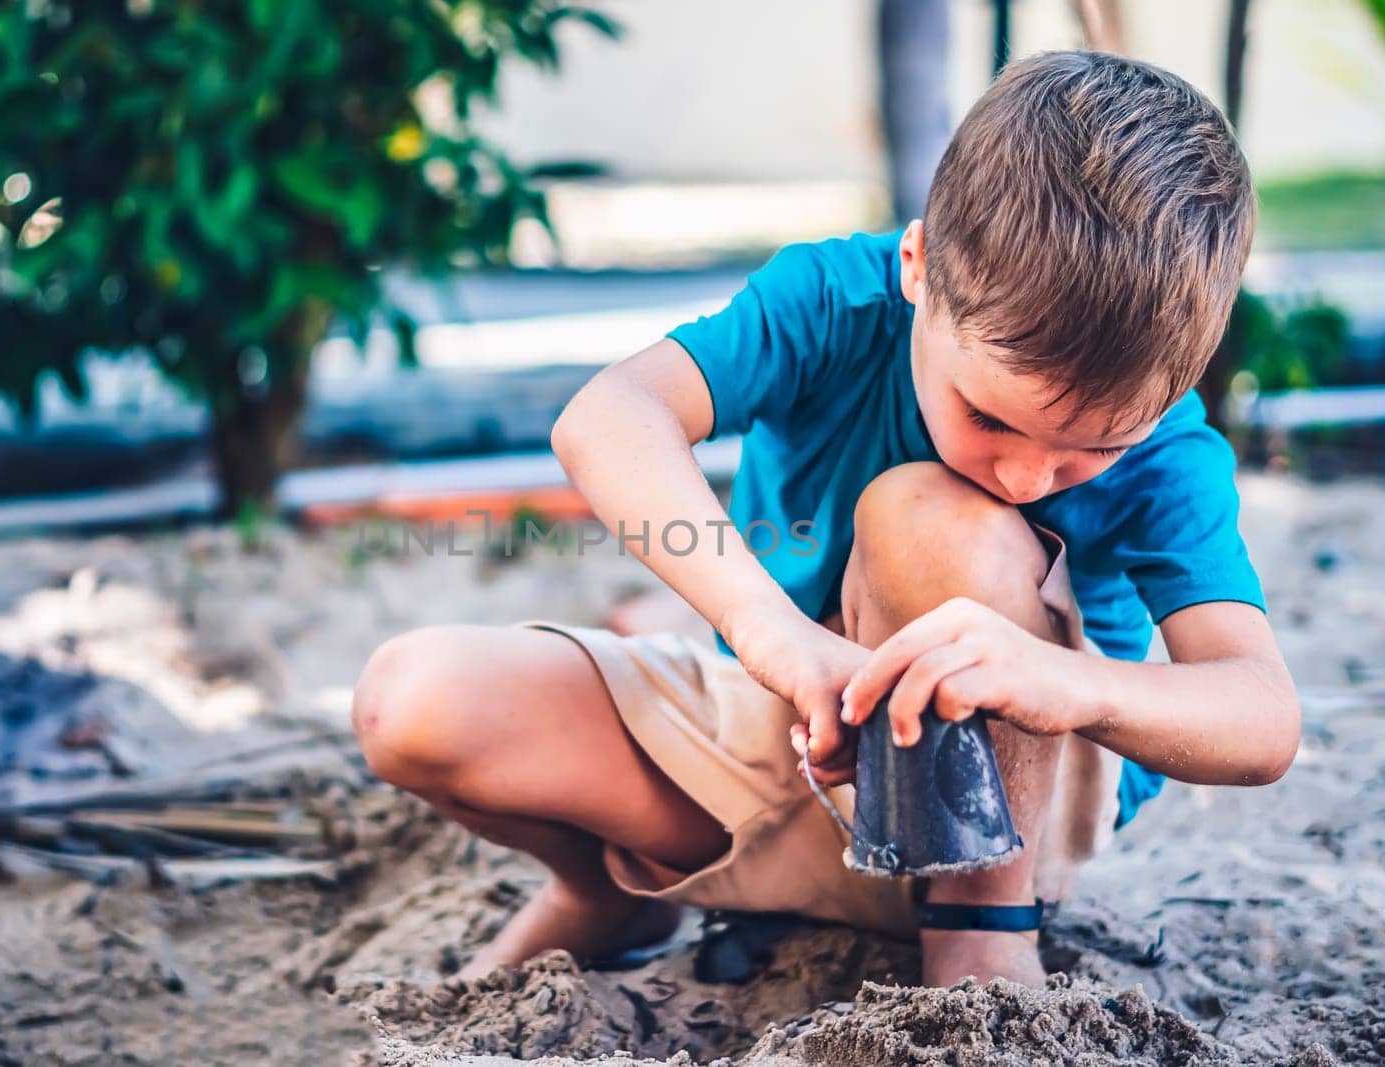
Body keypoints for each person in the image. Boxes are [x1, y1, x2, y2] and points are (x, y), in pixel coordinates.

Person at [351, 51, 1301, 989]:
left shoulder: (1170, 452)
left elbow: (1262, 718)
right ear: (918, 267)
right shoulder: (835, 300)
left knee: (932, 512)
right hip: (786, 742)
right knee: (412, 699)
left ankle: (979, 932)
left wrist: (1066, 682)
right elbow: (608, 418)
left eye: (1093, 446)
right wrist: (777, 640)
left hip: (1012, 807)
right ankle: (612, 893)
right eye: (990, 416)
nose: (1026, 473)